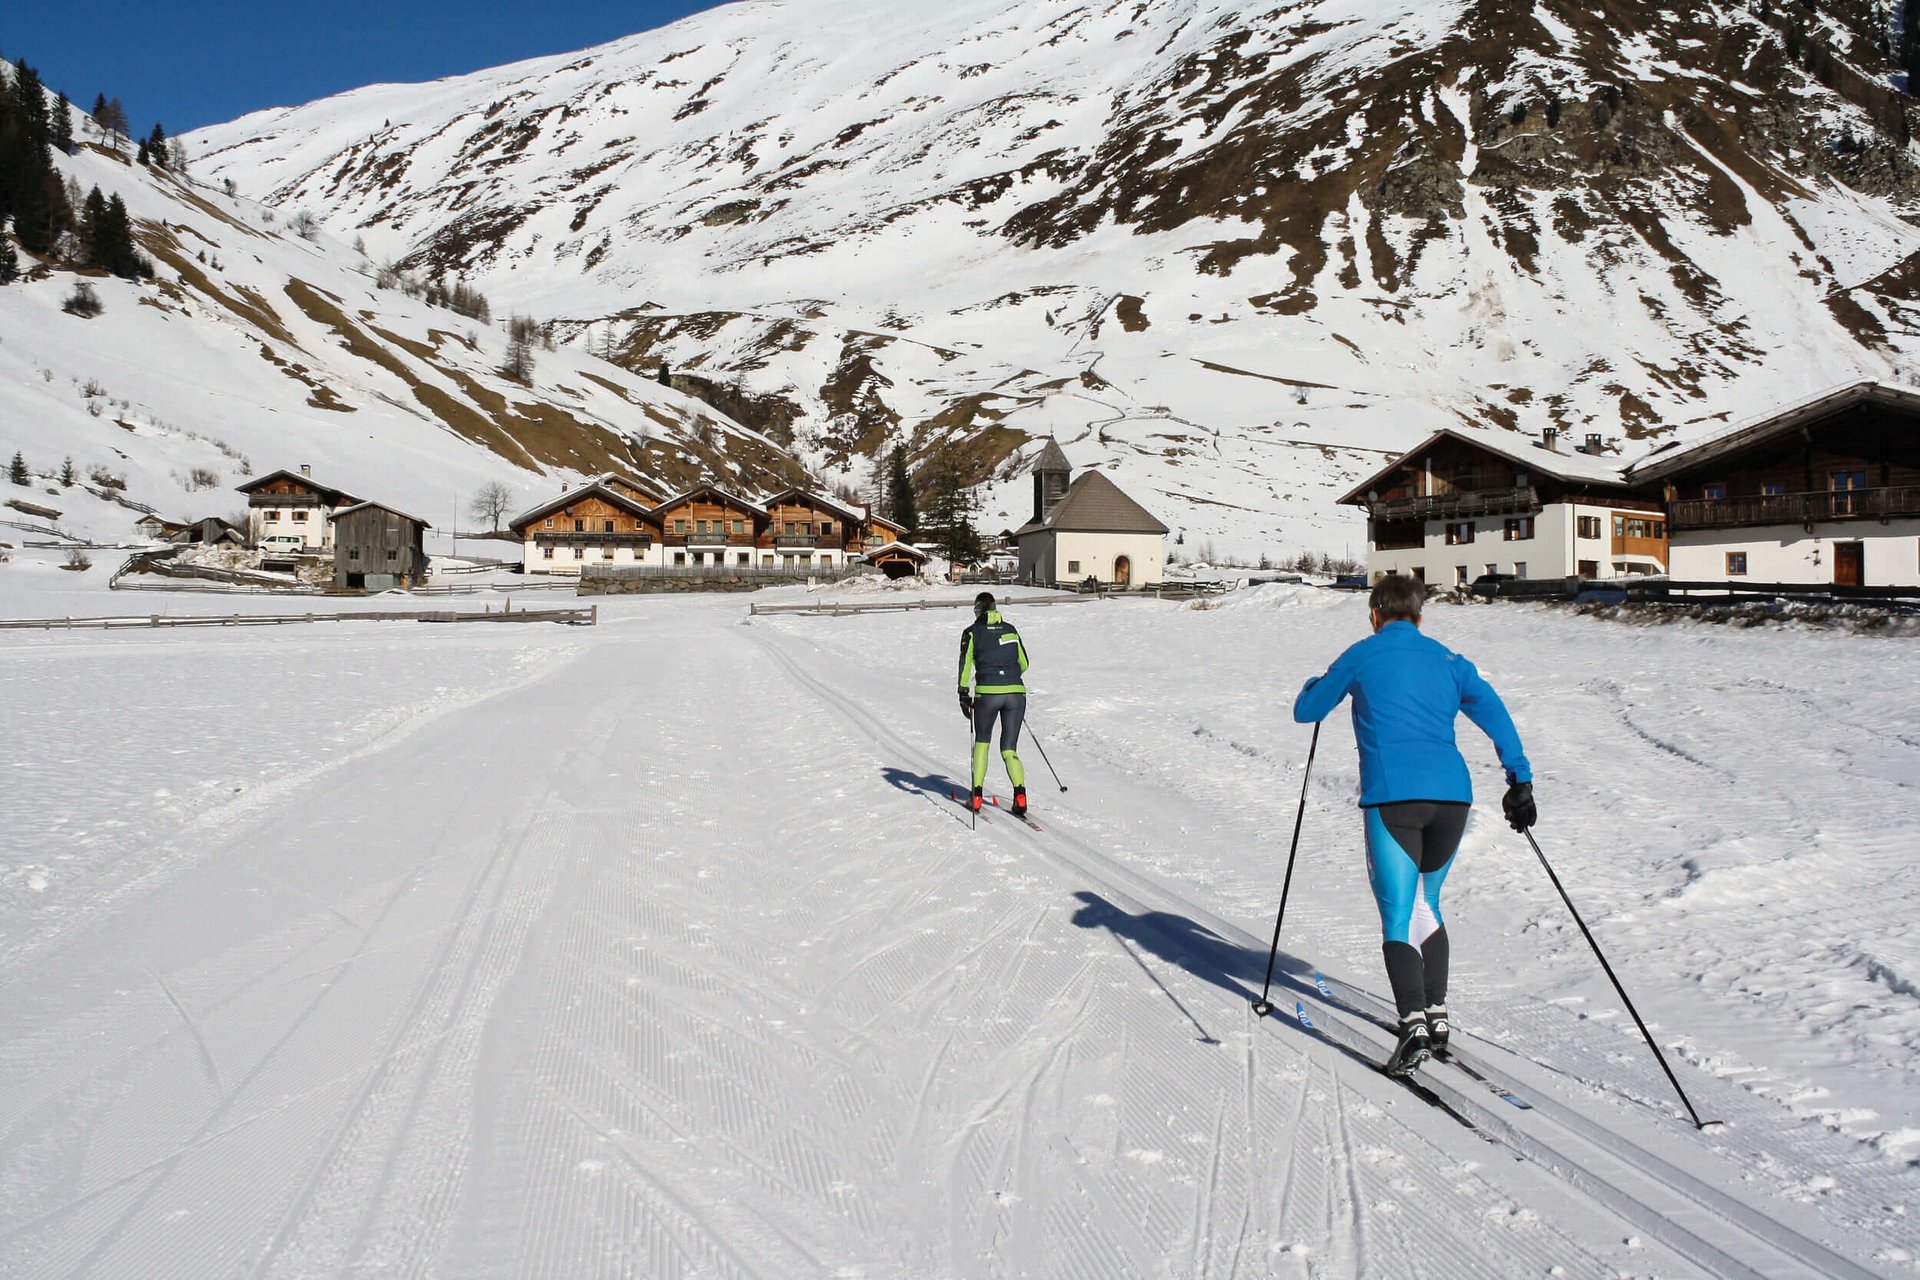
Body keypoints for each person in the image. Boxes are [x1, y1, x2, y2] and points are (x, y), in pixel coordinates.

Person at [1292, 574, 1536, 1076]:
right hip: (1452, 799)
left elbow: (1308, 711)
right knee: (1429, 904)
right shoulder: (1450, 661)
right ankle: (1437, 1014)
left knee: (1398, 914)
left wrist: (1312, 685)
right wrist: (1520, 779)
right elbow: (1495, 712)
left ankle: (1413, 1026)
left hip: (1393, 799)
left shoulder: (1362, 654)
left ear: (1375, 615)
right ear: (1420, 618)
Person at [957, 591, 1030, 817]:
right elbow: (1024, 663)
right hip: (1015, 694)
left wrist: (962, 693)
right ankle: (1020, 795)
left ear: (978, 610)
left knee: (982, 742)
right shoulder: (1010, 630)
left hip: (987, 694)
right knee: (1009, 748)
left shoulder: (971, 633)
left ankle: (976, 796)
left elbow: (965, 664)